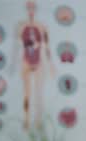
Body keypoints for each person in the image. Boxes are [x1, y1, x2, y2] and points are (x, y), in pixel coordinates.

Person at [11, 1, 55, 129]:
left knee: (39, 94)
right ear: (25, 9)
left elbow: (47, 47)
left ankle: (39, 122)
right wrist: (13, 64)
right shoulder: (20, 26)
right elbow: (16, 46)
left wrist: (51, 65)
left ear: (36, 9)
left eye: (33, 7)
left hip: (39, 61)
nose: (31, 10)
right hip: (25, 61)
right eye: (28, 7)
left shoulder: (42, 26)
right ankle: (26, 120)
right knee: (27, 93)